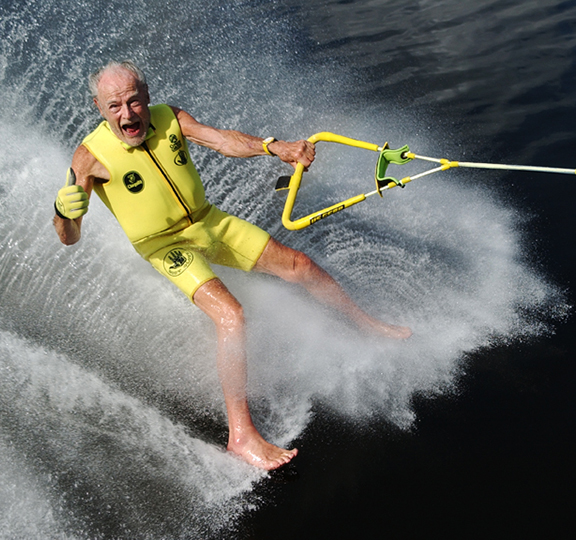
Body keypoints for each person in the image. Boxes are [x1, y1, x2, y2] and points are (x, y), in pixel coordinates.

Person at [53, 61, 411, 471]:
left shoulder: (170, 118)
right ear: (99, 107)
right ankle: (241, 436)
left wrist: (274, 147)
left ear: (147, 96)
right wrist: (63, 213)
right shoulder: (88, 157)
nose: (128, 114)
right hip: (165, 245)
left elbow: (223, 141)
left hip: (209, 221)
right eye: (115, 105)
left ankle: (368, 325)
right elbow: (69, 237)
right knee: (232, 315)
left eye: (134, 101)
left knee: (300, 264)